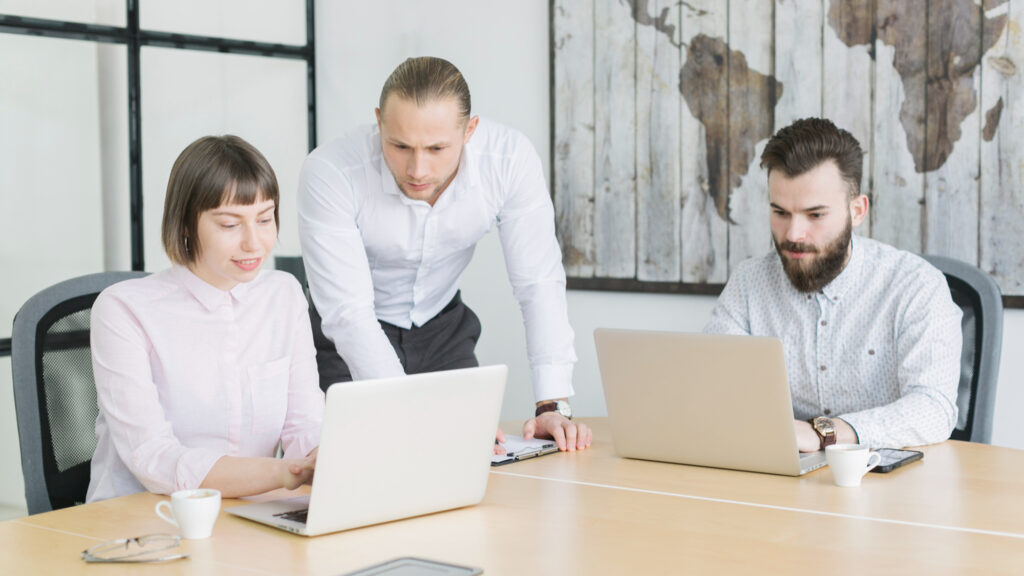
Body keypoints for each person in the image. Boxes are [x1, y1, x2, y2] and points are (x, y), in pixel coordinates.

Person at [297, 56, 590, 452]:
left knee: (474, 461)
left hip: (443, 329)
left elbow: (538, 283)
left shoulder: (508, 160)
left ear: (470, 131)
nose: (418, 168)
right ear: (379, 121)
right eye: (400, 146)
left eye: (437, 148)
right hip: (342, 342)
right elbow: (349, 315)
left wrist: (551, 403)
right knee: (363, 464)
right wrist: (418, 417)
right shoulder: (332, 171)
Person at [87, 135, 324, 502]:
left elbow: (304, 423)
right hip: (146, 516)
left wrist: (321, 457)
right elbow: (154, 458)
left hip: (249, 513)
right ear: (185, 224)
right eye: (230, 225)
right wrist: (283, 473)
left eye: (265, 219)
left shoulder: (283, 294)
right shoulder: (124, 309)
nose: (254, 243)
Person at [703, 118, 962, 451]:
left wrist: (823, 432)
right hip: (781, 480)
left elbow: (934, 409)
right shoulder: (749, 282)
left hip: (890, 486)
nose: (793, 234)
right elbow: (714, 388)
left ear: (857, 211)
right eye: (780, 212)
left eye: (815, 215)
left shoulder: (916, 286)